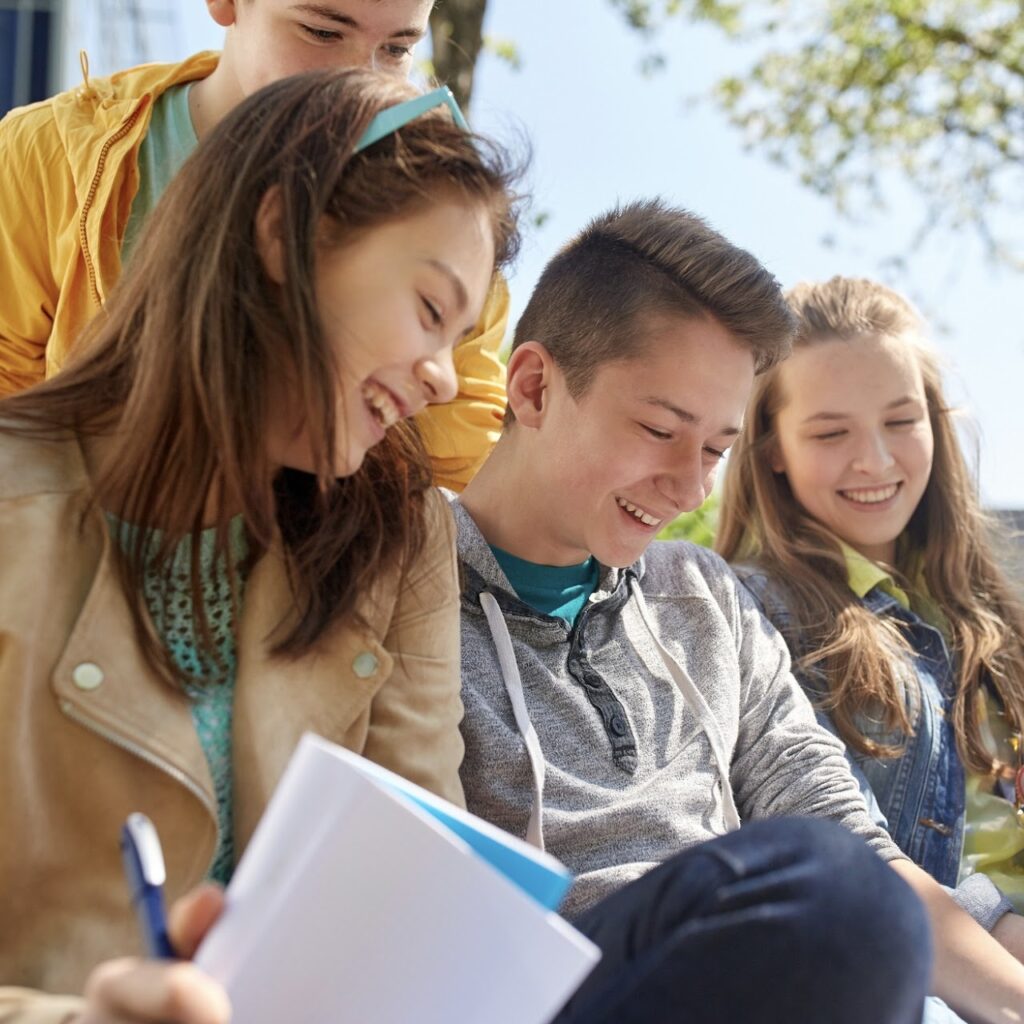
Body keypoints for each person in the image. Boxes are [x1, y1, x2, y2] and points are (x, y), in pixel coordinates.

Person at [0, 68, 518, 1022]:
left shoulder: (397, 534)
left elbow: (417, 890)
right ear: (282, 234)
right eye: (432, 310)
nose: (446, 380)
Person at [451, 202, 1024, 1023]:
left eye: (716, 449)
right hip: (534, 989)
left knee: (859, 892)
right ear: (535, 387)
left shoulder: (702, 598)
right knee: (832, 891)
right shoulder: (406, 586)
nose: (689, 488)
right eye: (659, 429)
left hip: (749, 979)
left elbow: (855, 842)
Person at [0, 0, 509, 490]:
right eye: (324, 32)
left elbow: (456, 478)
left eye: (397, 50)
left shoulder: (450, 233)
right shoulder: (47, 158)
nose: (362, 77)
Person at [717, 277, 1024, 950]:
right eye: (830, 432)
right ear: (771, 448)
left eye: (901, 421)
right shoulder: (759, 616)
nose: (876, 460)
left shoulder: (982, 612)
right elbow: (859, 865)